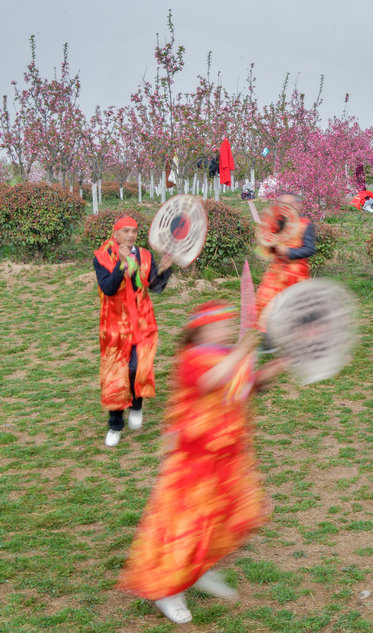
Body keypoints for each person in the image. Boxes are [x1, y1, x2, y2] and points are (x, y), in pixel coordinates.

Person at [117, 301, 287, 624]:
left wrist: (283, 363)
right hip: (194, 462)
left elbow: (248, 386)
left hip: (225, 458)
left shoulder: (226, 354)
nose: (227, 329)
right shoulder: (192, 359)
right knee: (185, 526)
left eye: (228, 324)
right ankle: (168, 592)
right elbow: (212, 381)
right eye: (221, 325)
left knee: (222, 519)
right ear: (202, 330)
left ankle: (197, 570)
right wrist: (243, 349)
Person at [93, 215, 174, 447]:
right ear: (115, 233)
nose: (130, 235)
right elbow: (108, 289)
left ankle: (137, 405)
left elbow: (156, 287)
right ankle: (115, 424)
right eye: (125, 231)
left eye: (134, 231)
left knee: (139, 367)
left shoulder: (145, 256)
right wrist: (121, 264)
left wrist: (165, 269)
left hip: (142, 321)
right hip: (114, 324)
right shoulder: (102, 257)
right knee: (115, 374)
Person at [255, 193, 317, 330]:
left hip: (297, 275)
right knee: (265, 301)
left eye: (288, 205)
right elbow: (268, 248)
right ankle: (268, 340)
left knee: (297, 309)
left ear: (298, 205)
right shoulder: (276, 223)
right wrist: (268, 245)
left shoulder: (305, 225)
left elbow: (310, 249)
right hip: (275, 273)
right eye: (281, 205)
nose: (284, 208)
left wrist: (288, 252)